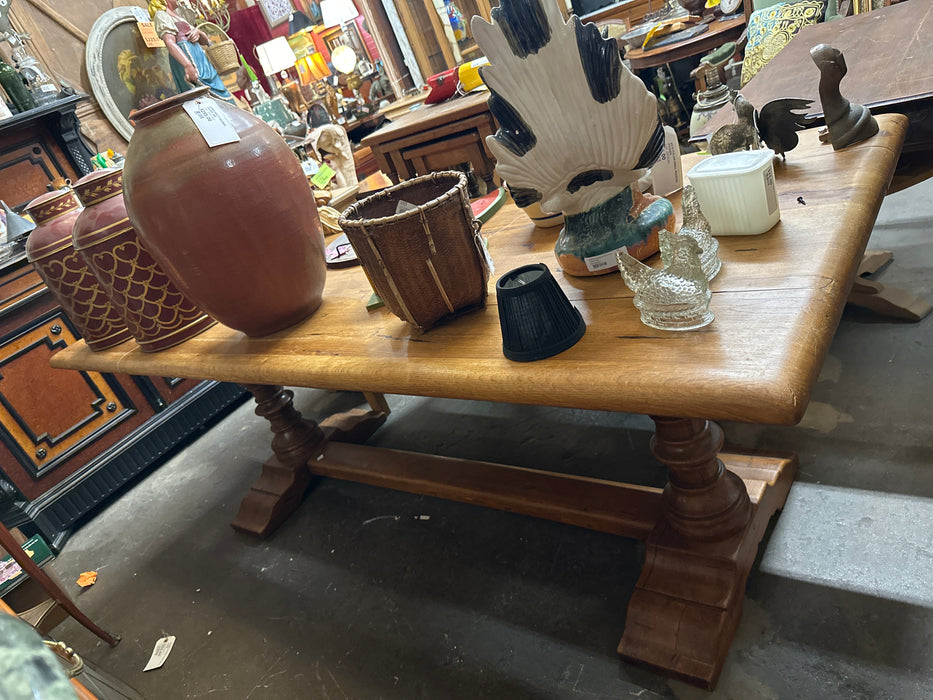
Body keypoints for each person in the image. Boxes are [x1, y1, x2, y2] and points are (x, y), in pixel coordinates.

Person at [147, 0, 232, 102]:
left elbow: (205, 41)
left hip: (199, 56)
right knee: (202, 94)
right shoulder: (161, 15)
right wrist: (187, 65)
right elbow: (169, 42)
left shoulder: (179, 14)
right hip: (186, 55)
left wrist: (198, 32)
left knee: (219, 93)